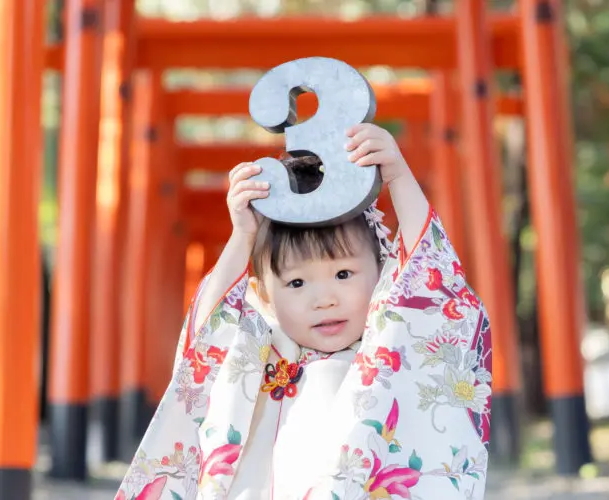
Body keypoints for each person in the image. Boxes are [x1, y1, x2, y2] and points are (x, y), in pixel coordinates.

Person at [115, 123, 492, 500]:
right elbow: (208, 334)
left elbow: (430, 281)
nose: (324, 299)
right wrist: (242, 236)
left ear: (384, 270)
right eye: (296, 283)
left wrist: (398, 175)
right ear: (263, 293)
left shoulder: (389, 349)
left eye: (343, 273)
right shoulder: (259, 350)